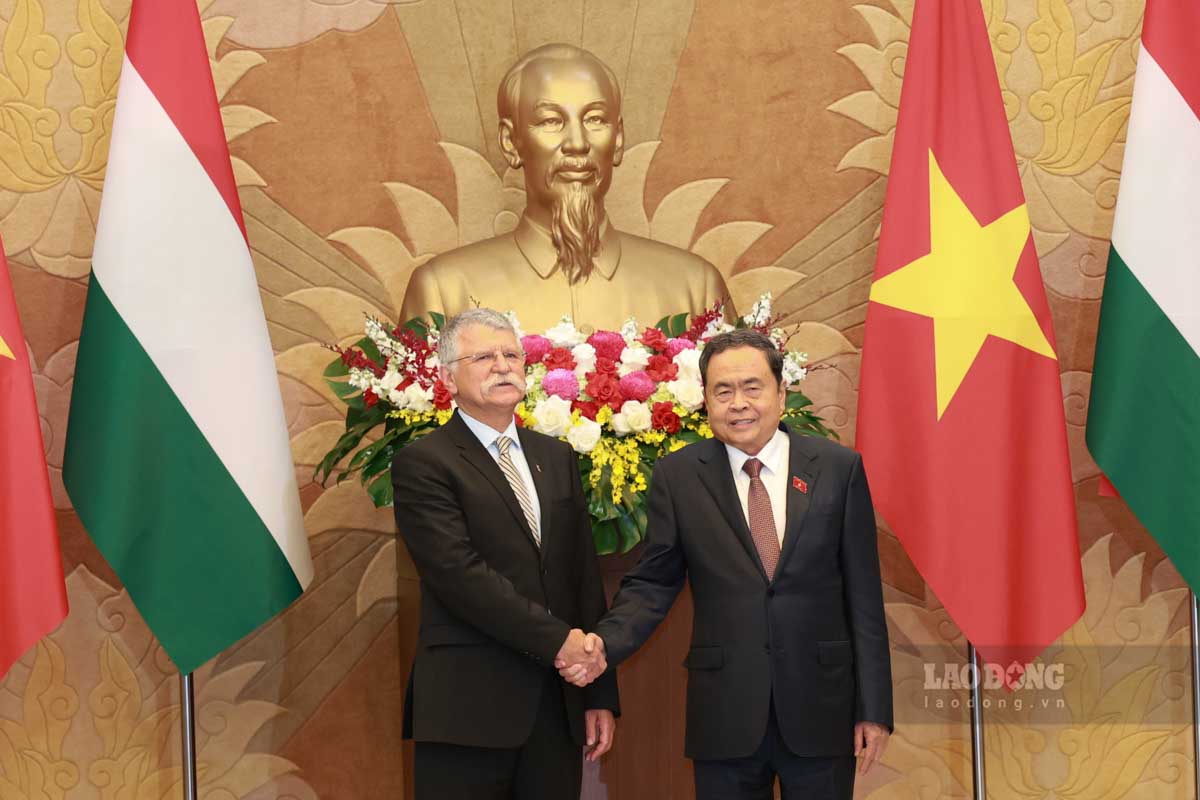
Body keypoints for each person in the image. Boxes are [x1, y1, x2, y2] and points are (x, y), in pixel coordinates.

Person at [562, 329, 892, 799]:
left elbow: (865, 598)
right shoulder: (679, 477)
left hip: (822, 708)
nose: (738, 403)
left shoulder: (838, 468)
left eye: (752, 387)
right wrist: (601, 646)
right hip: (725, 713)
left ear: (781, 393)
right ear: (706, 401)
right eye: (723, 391)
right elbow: (653, 584)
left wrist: (874, 707)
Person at [391, 308, 619, 799]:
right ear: (448, 377)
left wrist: (599, 691)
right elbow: (459, 575)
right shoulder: (424, 462)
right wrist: (561, 643)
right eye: (484, 356)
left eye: (512, 354)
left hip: (556, 707)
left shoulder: (555, 456)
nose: (503, 365)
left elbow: (581, 575)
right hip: (467, 708)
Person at [399, 43, 730, 332]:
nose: (577, 143)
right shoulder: (442, 291)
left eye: (595, 119)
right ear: (510, 143)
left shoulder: (696, 288)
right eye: (550, 121)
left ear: (617, 140)